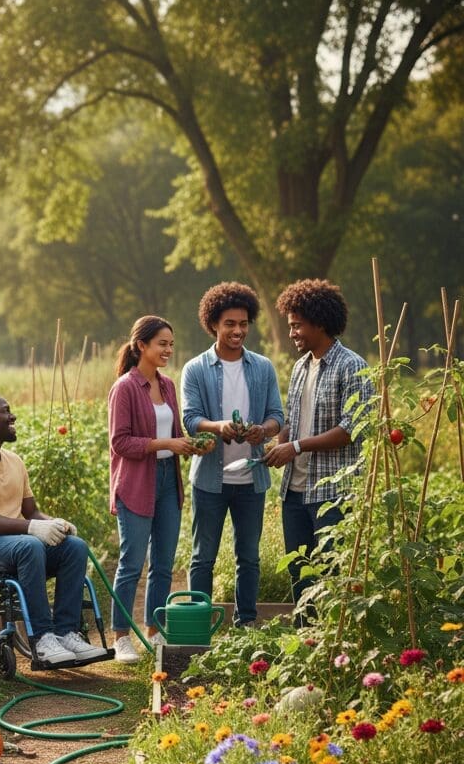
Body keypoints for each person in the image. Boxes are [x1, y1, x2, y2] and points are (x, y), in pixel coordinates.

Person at [0, 392, 101, 666]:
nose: (12, 416)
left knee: (75, 547)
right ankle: (41, 638)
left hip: (17, 540)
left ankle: (66, 632)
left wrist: (54, 522)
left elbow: (32, 512)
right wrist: (32, 528)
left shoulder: (14, 461)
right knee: (31, 545)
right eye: (5, 411)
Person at [264, 278, 372, 613]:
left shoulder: (351, 365)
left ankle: (333, 651)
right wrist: (277, 444)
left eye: (297, 326)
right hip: (295, 492)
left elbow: (353, 429)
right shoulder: (299, 367)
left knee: (331, 576)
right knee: (300, 576)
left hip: (333, 493)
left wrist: (295, 447)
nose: (293, 333)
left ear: (320, 323)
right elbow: (294, 420)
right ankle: (307, 646)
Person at [181, 283, 284, 629]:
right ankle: (198, 625)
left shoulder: (263, 367)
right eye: (229, 323)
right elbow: (191, 419)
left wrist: (264, 431)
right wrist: (219, 426)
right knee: (202, 557)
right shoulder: (195, 369)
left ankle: (247, 625)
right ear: (213, 324)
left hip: (251, 479)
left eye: (243, 323)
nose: (237, 330)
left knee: (249, 557)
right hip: (210, 479)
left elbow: (276, 416)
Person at [109, 316, 201, 661]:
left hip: (167, 480)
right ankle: (121, 637)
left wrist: (189, 445)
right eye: (162, 344)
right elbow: (121, 443)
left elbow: (172, 436)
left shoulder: (168, 385)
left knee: (163, 563)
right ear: (141, 346)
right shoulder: (124, 388)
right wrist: (166, 443)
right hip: (135, 482)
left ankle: (154, 629)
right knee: (132, 563)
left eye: (171, 344)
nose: (168, 350)